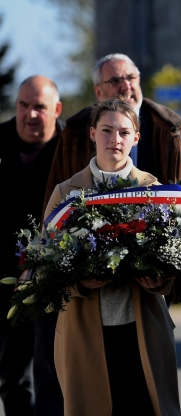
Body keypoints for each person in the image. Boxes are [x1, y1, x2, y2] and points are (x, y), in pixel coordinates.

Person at [44, 98, 180, 415]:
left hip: (142, 327)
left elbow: (173, 257)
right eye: (106, 130)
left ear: (136, 137)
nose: (115, 140)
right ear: (92, 134)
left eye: (123, 132)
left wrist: (159, 278)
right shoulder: (66, 192)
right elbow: (46, 261)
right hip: (84, 330)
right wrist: (78, 280)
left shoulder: (154, 189)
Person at [43, 53, 181, 302]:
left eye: (131, 77)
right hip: (90, 281)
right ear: (98, 92)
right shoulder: (75, 130)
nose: (126, 86)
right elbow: (55, 206)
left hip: (152, 276)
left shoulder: (174, 128)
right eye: (116, 80)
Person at [0, 75, 64, 416]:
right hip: (6, 279)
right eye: (23, 106)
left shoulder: (73, 147)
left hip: (57, 278)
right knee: (13, 375)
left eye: (39, 107)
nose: (31, 115)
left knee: (55, 373)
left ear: (56, 109)